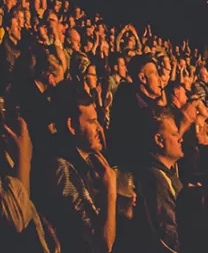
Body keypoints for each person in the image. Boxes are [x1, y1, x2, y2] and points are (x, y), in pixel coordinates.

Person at [33, 87, 118, 253]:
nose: (99, 128)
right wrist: (111, 191)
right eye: (92, 122)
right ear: (71, 125)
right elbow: (103, 245)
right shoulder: (61, 169)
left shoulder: (90, 159)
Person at [118, 107, 184, 253]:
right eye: (174, 134)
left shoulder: (163, 175)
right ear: (159, 140)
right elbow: (168, 238)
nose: (181, 139)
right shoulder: (157, 181)